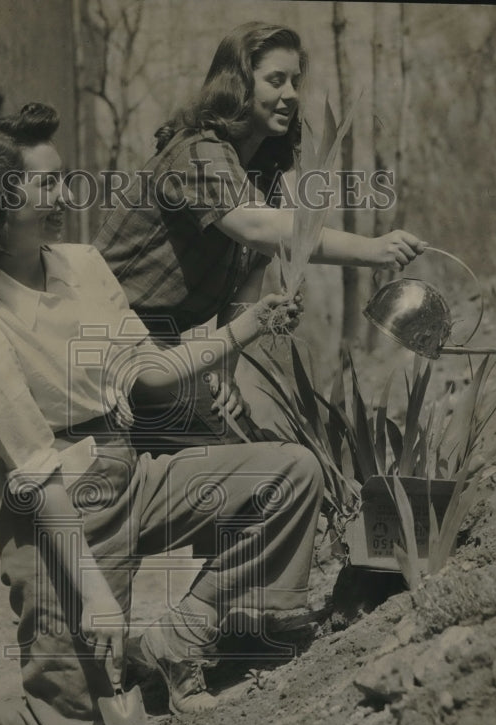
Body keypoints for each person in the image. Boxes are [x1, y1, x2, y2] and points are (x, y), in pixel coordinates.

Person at [0, 103, 324, 725]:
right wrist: (99, 603)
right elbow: (41, 482)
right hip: (62, 527)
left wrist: (248, 326)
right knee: (66, 723)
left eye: (63, 179)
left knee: (291, 475)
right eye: (44, 184)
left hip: (132, 476)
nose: (64, 196)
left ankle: (174, 642)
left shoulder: (82, 264)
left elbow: (150, 371)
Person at [93, 21, 427, 450]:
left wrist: (225, 374)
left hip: (164, 349)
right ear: (238, 86)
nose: (290, 94)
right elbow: (258, 228)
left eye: (295, 81)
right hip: (108, 339)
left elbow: (244, 287)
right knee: (250, 462)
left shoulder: (261, 175)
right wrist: (372, 249)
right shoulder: (199, 151)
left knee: (256, 443)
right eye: (276, 80)